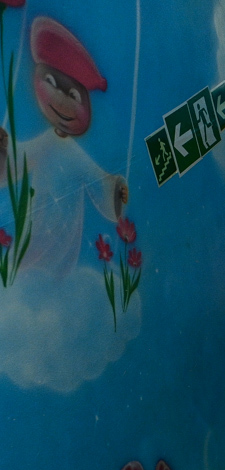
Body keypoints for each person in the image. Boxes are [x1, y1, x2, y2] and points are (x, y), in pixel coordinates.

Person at [0, 16, 128, 279]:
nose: (59, 100)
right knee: (28, 264)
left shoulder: (71, 151)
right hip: (37, 221)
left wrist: (114, 191)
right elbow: (19, 159)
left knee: (54, 269)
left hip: (65, 230)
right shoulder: (46, 142)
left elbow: (96, 178)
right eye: (51, 82)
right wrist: (4, 152)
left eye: (72, 95)